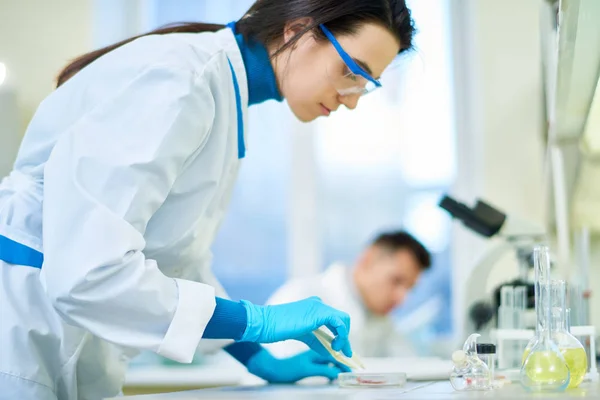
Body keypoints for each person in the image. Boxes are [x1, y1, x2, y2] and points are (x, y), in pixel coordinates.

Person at [0, 0, 416, 399]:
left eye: (366, 84)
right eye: (351, 72)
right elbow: (88, 271)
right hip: (21, 329)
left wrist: (258, 357)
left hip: (56, 337)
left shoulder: (222, 96)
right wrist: (258, 321)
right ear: (298, 31)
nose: (353, 99)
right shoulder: (181, 80)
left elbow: (177, 265)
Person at [266, 231, 431, 358]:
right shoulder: (300, 296)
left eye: (409, 289)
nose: (401, 298)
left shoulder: (380, 319)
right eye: (396, 281)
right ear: (368, 259)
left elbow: (409, 365)